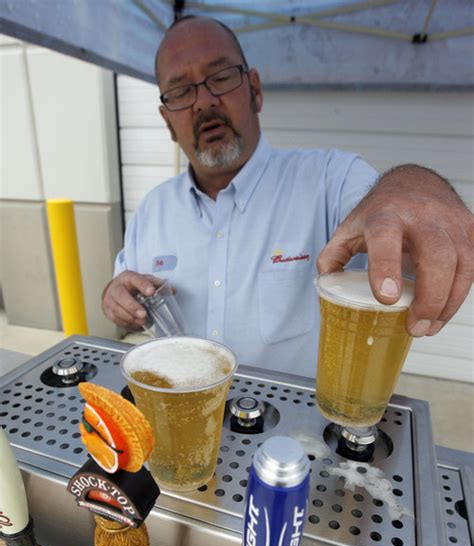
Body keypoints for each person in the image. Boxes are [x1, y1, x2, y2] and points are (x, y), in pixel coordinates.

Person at [103, 16, 473, 377]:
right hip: (185, 424)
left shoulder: (330, 180)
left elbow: (389, 204)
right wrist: (116, 295)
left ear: (255, 90)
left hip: (299, 433)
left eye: (220, 77)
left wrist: (415, 186)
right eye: (182, 91)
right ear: (168, 122)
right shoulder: (152, 209)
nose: (203, 102)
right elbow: (127, 287)